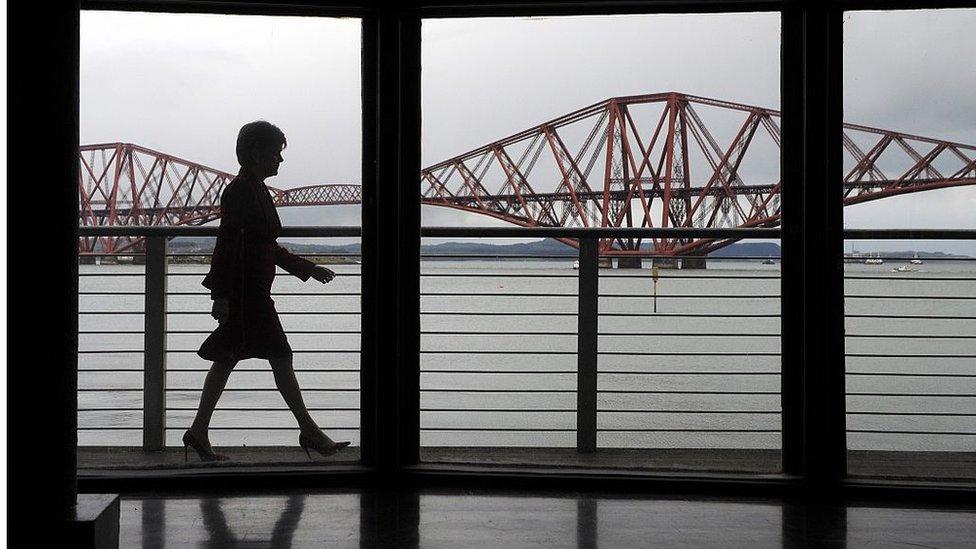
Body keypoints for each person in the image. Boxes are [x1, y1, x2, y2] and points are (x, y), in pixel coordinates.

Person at [182, 120, 350, 462]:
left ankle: (198, 432)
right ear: (258, 153)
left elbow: (264, 246)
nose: (280, 161)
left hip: (252, 292)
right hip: (247, 295)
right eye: (276, 153)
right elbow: (226, 245)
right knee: (279, 357)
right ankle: (310, 432)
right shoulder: (242, 191)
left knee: (228, 360)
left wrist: (307, 268)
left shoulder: (255, 189)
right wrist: (220, 295)